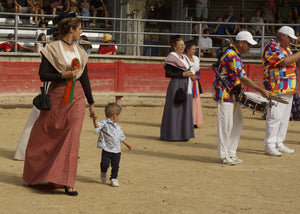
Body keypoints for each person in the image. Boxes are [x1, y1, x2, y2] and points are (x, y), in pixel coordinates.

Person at [23, 16, 97, 196]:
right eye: (79, 29)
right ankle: (36, 175)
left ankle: (67, 181)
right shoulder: (52, 49)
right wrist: (62, 76)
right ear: (71, 29)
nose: (81, 32)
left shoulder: (81, 51)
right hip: (57, 95)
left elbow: (84, 78)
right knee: (44, 134)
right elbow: (43, 75)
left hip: (77, 97)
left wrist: (91, 103)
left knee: (72, 137)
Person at [213, 31, 270, 165]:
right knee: (226, 125)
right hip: (225, 94)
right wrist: (261, 90)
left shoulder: (234, 54)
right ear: (241, 43)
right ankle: (223, 155)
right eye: (248, 44)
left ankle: (231, 153)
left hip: (232, 92)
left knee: (236, 123)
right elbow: (243, 78)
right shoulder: (232, 55)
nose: (249, 47)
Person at [262, 26, 299, 156]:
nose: (291, 41)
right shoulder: (271, 46)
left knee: (283, 118)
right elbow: (284, 62)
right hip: (276, 87)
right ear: (283, 36)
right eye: (289, 38)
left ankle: (279, 142)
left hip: (288, 87)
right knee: (275, 116)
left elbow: (293, 63)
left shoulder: (286, 48)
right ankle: (270, 144)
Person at [160, 37, 195, 141]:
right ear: (175, 47)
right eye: (180, 45)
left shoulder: (184, 57)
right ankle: (173, 134)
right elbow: (168, 73)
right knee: (175, 108)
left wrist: (191, 76)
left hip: (186, 83)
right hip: (177, 85)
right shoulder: (171, 57)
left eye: (183, 45)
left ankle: (184, 134)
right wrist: (183, 74)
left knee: (185, 108)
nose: (183, 47)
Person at [93, 103, 132, 187]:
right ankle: (103, 172)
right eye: (119, 115)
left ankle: (113, 178)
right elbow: (97, 126)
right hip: (106, 149)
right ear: (114, 116)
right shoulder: (104, 123)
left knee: (116, 166)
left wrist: (127, 144)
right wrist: (94, 120)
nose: (119, 117)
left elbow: (121, 137)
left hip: (117, 150)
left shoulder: (118, 127)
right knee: (105, 164)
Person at [185, 41, 203, 128]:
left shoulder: (195, 58)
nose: (194, 51)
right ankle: (187, 121)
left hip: (194, 82)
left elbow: (197, 69)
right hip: (187, 81)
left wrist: (196, 76)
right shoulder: (184, 58)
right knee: (188, 101)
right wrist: (191, 76)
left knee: (195, 101)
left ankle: (195, 121)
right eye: (192, 49)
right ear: (187, 50)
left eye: (194, 49)